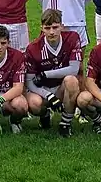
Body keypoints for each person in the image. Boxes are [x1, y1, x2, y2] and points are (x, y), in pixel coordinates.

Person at [24, 9, 84, 137]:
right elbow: (29, 82)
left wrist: (46, 74)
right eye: (47, 28)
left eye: (55, 27)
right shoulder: (33, 48)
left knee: (71, 80)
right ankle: (44, 115)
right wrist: (48, 96)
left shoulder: (73, 38)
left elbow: (74, 69)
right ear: (42, 28)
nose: (51, 32)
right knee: (35, 104)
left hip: (62, 87)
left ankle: (65, 123)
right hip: (43, 89)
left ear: (62, 26)